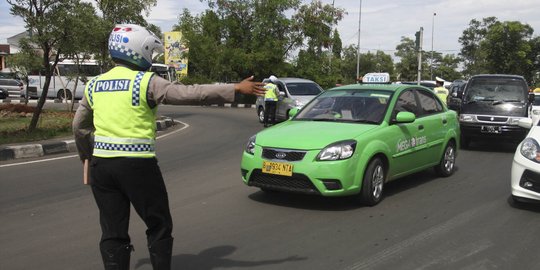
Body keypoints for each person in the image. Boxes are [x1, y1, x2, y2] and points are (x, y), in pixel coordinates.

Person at [72, 24, 265, 270]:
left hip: (102, 166)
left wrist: (86, 156)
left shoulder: (94, 84)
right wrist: (235, 88)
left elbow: (79, 127)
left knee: (112, 228)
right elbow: (190, 94)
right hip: (137, 166)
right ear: (137, 51)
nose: (151, 59)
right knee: (158, 223)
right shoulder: (146, 82)